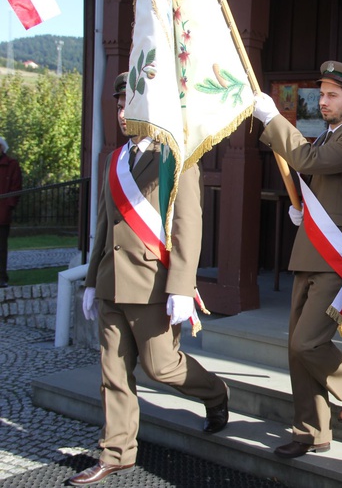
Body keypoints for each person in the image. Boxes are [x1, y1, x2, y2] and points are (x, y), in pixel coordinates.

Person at [69, 72, 229, 486]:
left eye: (131, 105)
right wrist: (90, 280)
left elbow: (188, 226)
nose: (123, 113)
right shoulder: (115, 159)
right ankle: (117, 452)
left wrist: (180, 286)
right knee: (113, 374)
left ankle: (216, 393)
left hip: (153, 285)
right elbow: (104, 224)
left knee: (163, 369)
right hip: (111, 284)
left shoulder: (176, 156)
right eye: (119, 105)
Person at [252, 60, 342, 459]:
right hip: (312, 247)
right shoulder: (329, 135)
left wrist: (272, 119)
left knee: (309, 343)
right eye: (321, 94)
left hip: (335, 255)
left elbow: (307, 161)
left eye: (332, 95)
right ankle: (312, 431)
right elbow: (319, 176)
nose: (322, 101)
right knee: (296, 347)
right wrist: (304, 212)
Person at [0, 136, 22, 288]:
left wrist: (9, 206)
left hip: (2, 214)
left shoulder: (11, 165)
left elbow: (16, 187)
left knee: (1, 247)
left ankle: (1, 277)